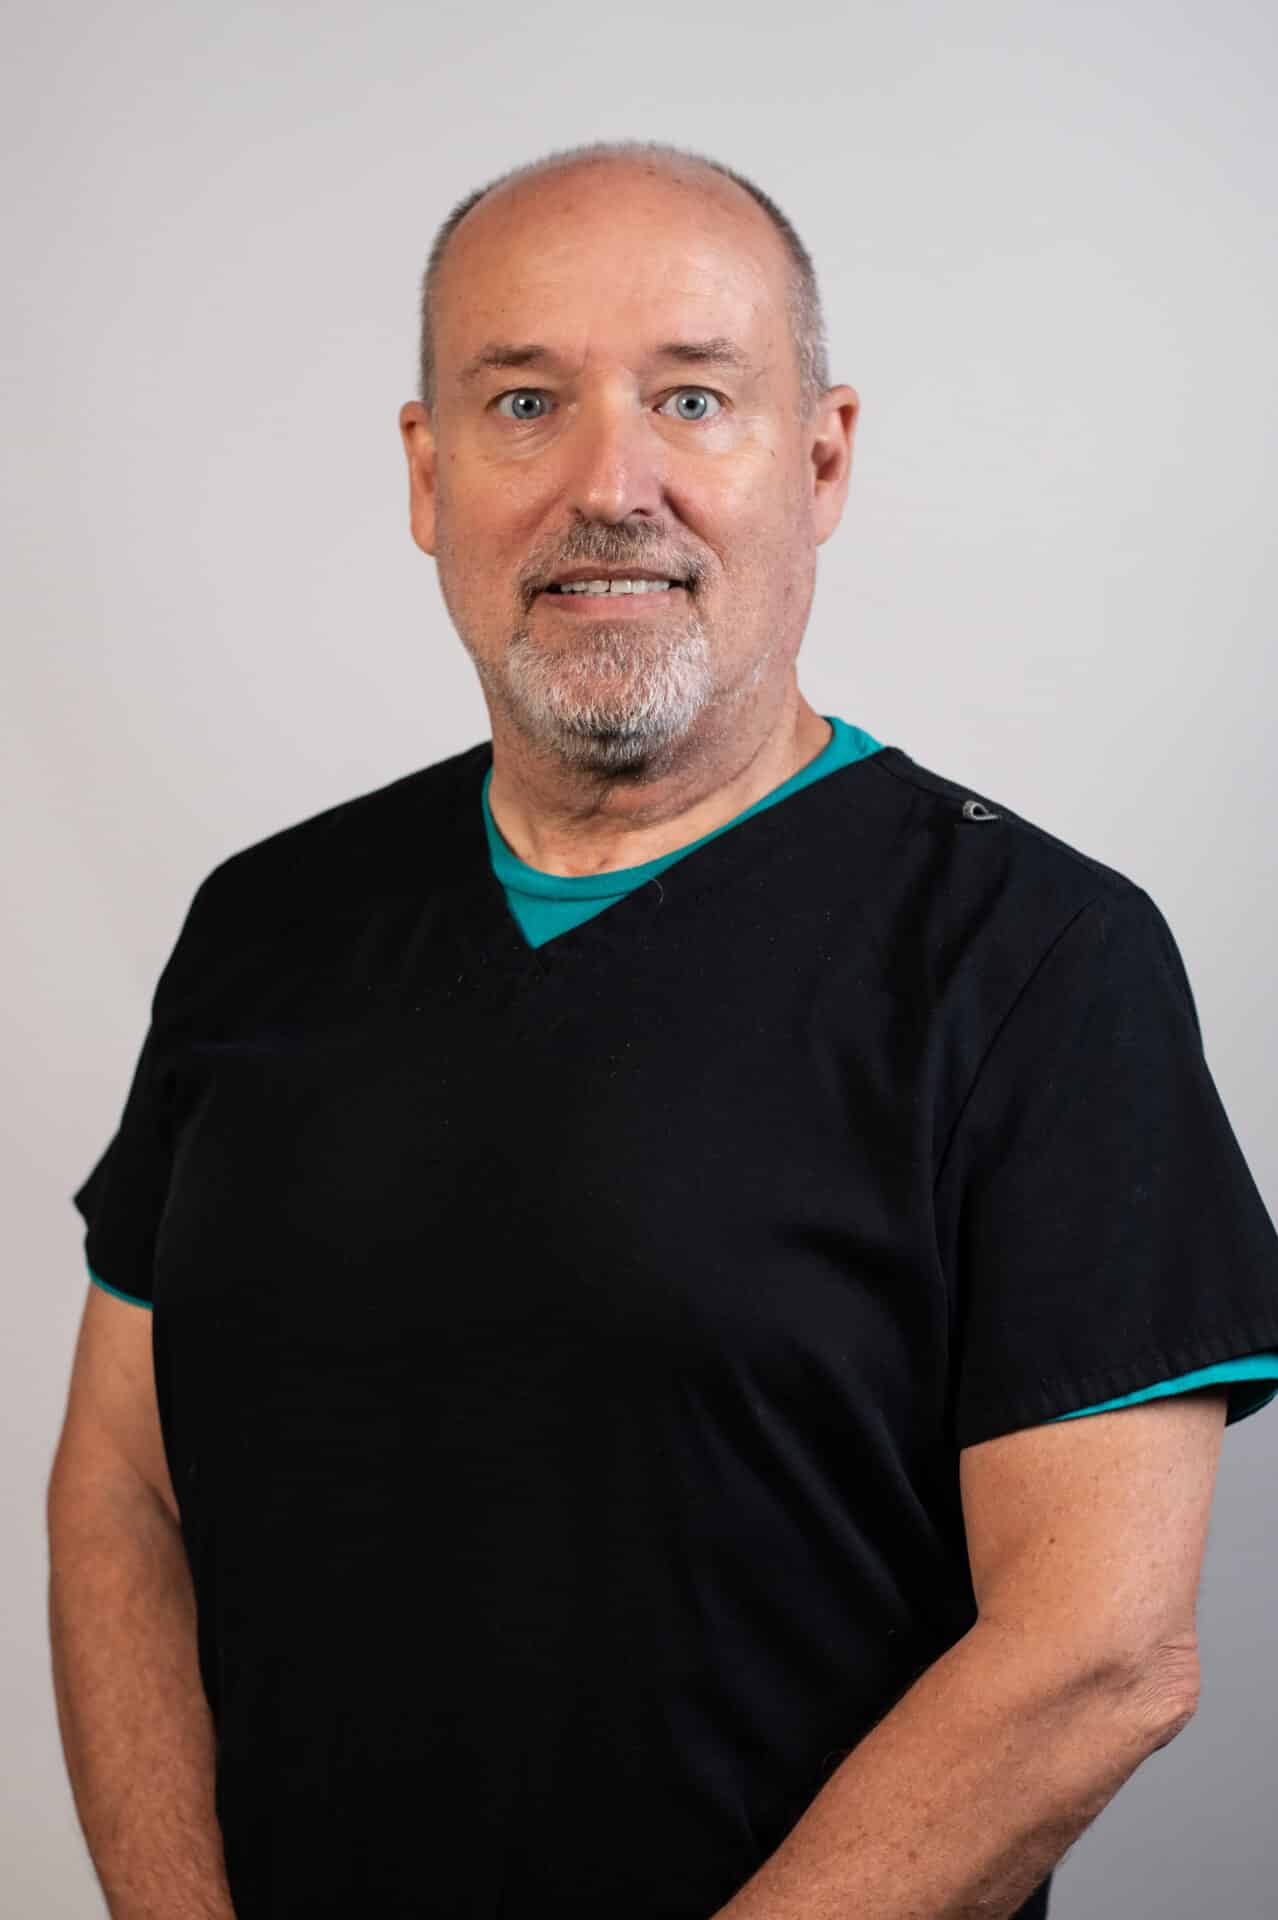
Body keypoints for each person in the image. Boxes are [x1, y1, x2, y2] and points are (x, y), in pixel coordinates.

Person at [48, 138, 1278, 1920]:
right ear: (427, 471)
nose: (606, 483)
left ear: (821, 454)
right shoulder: (269, 923)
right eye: (525, 400)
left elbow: (1095, 1656)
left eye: (692, 397)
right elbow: (118, 1484)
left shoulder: (1033, 960)